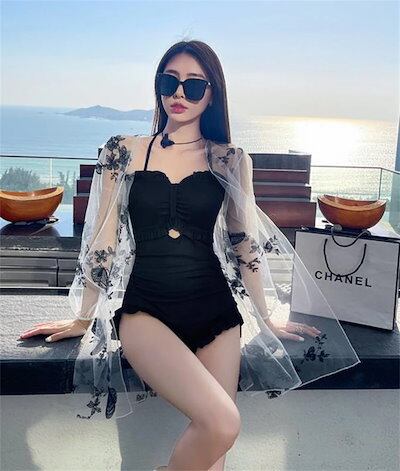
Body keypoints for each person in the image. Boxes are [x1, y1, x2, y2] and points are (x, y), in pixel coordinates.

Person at [19, 40, 360, 471]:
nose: (179, 93)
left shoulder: (230, 159)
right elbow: (102, 242)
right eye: (170, 81)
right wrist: (83, 318)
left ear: (212, 94)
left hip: (215, 310)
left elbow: (245, 244)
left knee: (215, 456)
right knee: (222, 423)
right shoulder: (122, 150)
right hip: (147, 309)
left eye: (194, 85)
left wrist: (267, 316)